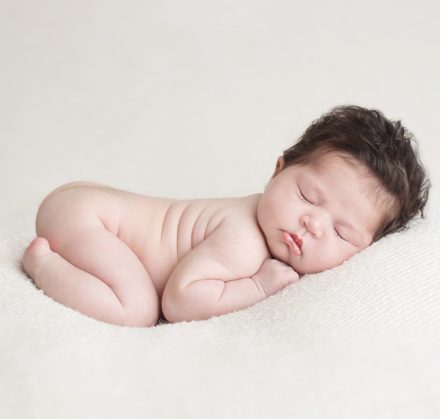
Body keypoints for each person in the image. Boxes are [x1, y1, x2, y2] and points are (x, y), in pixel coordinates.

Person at [21, 105, 431, 327]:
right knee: (137, 309)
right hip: (88, 218)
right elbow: (180, 300)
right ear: (277, 171)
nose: (314, 224)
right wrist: (258, 284)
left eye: (342, 234)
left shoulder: (272, 226)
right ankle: (43, 264)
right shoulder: (244, 236)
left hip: (89, 202)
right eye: (307, 195)